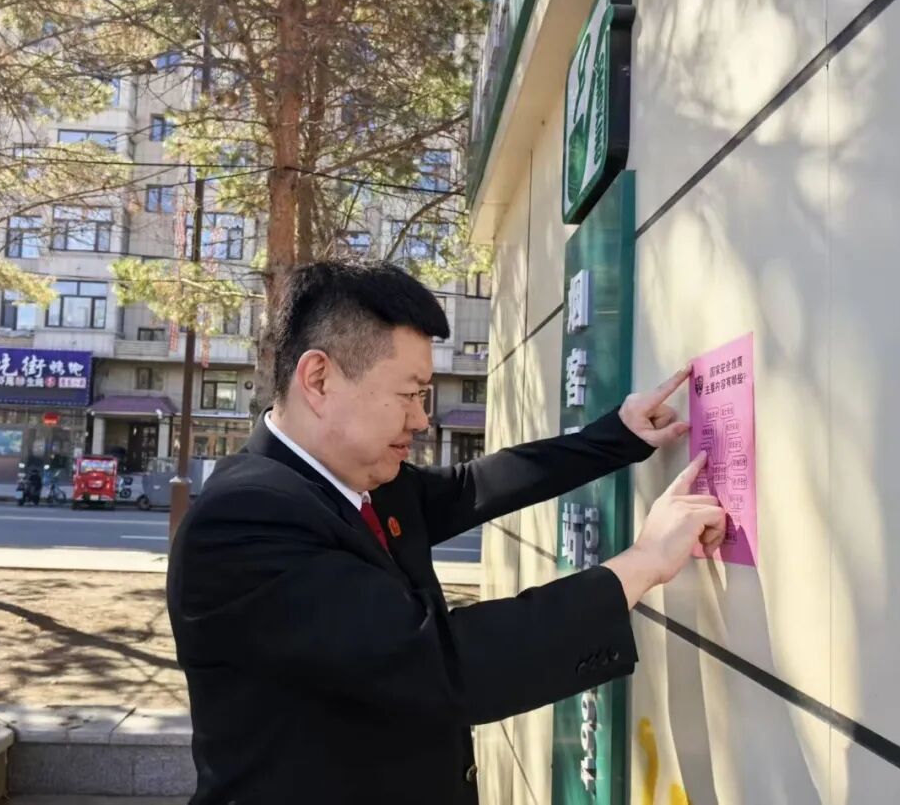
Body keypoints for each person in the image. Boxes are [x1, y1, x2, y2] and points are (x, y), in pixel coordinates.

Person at [167, 261, 726, 805]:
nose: (420, 419)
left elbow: (473, 486)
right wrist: (644, 561)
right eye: (409, 393)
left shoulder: (361, 481)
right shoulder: (241, 523)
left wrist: (619, 437)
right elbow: (443, 664)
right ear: (319, 379)